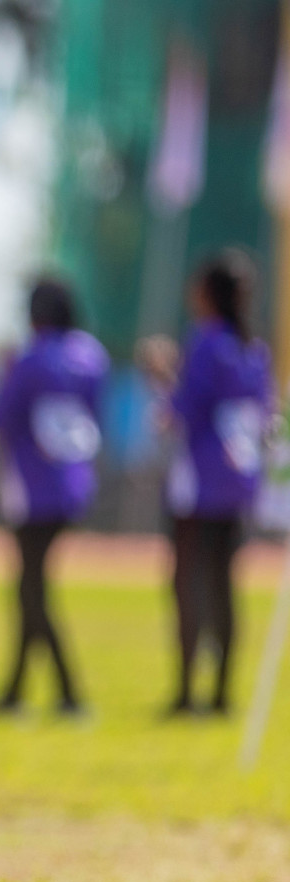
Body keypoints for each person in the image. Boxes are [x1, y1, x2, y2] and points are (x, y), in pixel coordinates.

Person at [151, 251, 273, 716]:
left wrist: (163, 381)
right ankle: (222, 692)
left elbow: (182, 412)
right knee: (225, 585)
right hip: (240, 483)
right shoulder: (253, 350)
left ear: (209, 295)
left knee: (188, 584)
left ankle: (186, 692)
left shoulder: (206, 343)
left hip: (199, 483)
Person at [0, 278, 107, 716]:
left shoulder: (31, 358)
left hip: (33, 485)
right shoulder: (92, 357)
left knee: (31, 590)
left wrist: (6, 371)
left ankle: (68, 694)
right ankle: (16, 692)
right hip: (75, 482)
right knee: (31, 586)